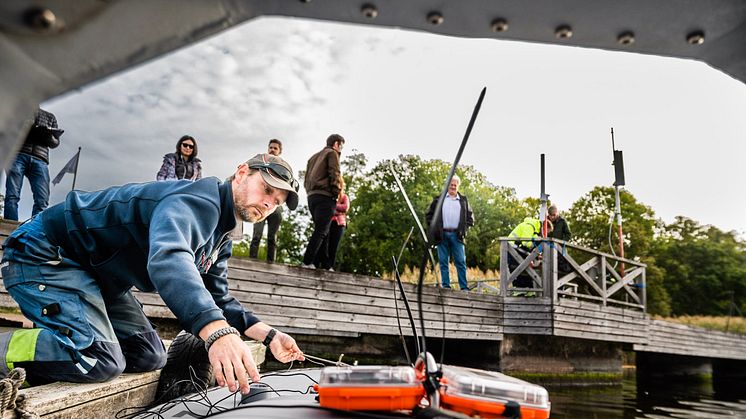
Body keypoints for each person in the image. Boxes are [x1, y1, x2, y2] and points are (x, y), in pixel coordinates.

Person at [0, 153, 304, 394]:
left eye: (277, 201)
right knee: (99, 359)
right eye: (267, 189)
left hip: (98, 277)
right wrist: (217, 333)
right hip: (47, 252)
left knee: (148, 355)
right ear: (241, 173)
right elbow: (168, 258)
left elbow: (218, 298)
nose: (268, 203)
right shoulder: (196, 200)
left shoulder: (222, 235)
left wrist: (271, 335)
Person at [3, 108, 63, 221]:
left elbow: (55, 143)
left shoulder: (50, 117)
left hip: (40, 159)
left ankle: (35, 228)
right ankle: (11, 227)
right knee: (12, 195)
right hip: (17, 154)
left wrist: (48, 136)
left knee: (42, 199)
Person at [302, 134, 345, 269]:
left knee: (323, 231)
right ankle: (307, 261)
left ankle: (323, 265)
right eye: (342, 145)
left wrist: (310, 192)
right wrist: (336, 192)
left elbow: (306, 179)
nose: (342, 149)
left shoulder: (313, 158)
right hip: (325, 196)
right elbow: (334, 173)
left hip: (312, 197)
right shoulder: (332, 154)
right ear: (336, 144)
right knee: (321, 230)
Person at [426, 175, 474, 290]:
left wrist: (464, 230)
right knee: (443, 262)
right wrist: (434, 229)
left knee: (461, 262)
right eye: (451, 184)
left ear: (458, 186)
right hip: (442, 235)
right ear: (447, 185)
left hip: (457, 236)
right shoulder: (439, 199)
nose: (453, 186)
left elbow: (470, 219)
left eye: (455, 185)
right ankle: (446, 286)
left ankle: (464, 288)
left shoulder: (463, 200)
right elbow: (429, 215)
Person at [249, 139, 284, 262]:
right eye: (271, 147)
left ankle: (271, 263)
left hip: (275, 207)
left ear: (279, 151)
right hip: (260, 203)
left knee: (272, 237)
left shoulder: (284, 168)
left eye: (275, 148)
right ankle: (252, 262)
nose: (272, 150)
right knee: (256, 235)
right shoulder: (261, 164)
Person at [314, 175, 350, 271]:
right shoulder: (327, 196)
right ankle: (320, 264)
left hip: (338, 224)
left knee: (333, 246)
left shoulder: (344, 196)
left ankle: (329, 267)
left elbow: (345, 207)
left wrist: (333, 207)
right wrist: (335, 208)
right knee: (322, 244)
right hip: (327, 222)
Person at [507, 217, 553, 288]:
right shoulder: (530, 226)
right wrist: (536, 247)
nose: (545, 235)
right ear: (543, 228)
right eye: (546, 232)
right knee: (516, 269)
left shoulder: (535, 230)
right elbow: (526, 243)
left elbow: (531, 246)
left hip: (517, 249)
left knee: (525, 270)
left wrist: (538, 254)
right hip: (512, 249)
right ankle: (520, 290)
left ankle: (527, 290)